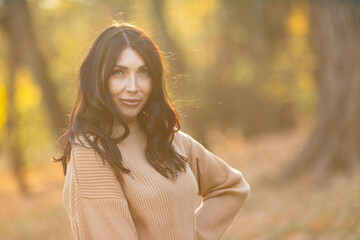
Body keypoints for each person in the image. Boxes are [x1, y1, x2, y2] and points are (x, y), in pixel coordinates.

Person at [54, 22, 250, 240]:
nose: (133, 86)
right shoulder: (91, 151)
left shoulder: (168, 138)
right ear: (98, 79)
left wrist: (194, 236)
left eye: (143, 72)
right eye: (118, 72)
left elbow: (230, 187)